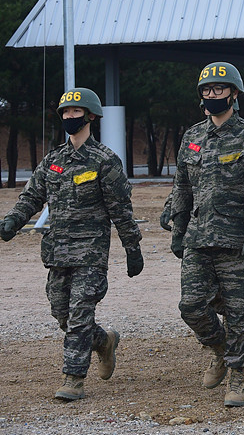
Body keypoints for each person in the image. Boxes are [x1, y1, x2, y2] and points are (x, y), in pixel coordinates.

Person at [0, 87, 143, 401]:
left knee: (79, 316)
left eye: (75, 112)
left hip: (90, 254)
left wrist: (133, 248)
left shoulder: (105, 161)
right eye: (65, 112)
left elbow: (121, 210)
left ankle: (73, 380)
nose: (69, 117)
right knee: (63, 315)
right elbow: (32, 197)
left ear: (90, 115)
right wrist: (12, 221)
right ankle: (104, 341)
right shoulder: (54, 160)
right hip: (58, 252)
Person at [169, 62, 244, 407]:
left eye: (220, 89)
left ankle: (239, 376)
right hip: (198, 237)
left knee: (238, 309)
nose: (213, 95)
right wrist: (177, 227)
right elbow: (182, 187)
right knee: (191, 306)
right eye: (207, 90)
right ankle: (219, 348)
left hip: (236, 239)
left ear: (234, 93)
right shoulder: (192, 137)